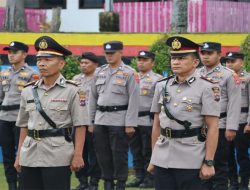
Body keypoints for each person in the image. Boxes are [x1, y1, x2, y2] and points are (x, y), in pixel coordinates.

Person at [14, 36, 88, 190]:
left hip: (57, 155)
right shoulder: (28, 90)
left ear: (61, 63)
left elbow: (80, 125)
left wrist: (78, 155)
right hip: (30, 154)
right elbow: (23, 126)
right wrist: (19, 154)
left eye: (48, 59)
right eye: (40, 59)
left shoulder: (73, 90)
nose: (41, 63)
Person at [147, 36, 220, 190]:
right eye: (173, 57)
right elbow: (156, 124)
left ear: (195, 62)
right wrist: (154, 157)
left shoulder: (207, 87)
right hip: (163, 155)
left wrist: (209, 162)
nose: (175, 62)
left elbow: (213, 126)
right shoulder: (162, 85)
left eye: (181, 58)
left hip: (191, 156)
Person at [88, 41, 139, 190]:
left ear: (121, 53)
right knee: (102, 155)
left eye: (112, 53)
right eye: (106, 53)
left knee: (119, 155)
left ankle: (121, 183)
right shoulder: (99, 72)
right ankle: (108, 183)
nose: (109, 56)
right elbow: (92, 98)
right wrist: (91, 121)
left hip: (119, 119)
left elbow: (134, 99)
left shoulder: (129, 73)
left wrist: (130, 124)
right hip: (100, 119)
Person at [199, 42, 241, 190]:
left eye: (209, 53)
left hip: (220, 125)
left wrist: (231, 127)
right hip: (199, 127)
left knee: (219, 165)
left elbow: (234, 103)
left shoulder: (228, 75)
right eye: (203, 53)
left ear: (219, 54)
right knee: (200, 165)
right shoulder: (196, 73)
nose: (205, 56)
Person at [0, 41, 38, 190]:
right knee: (7, 155)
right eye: (9, 52)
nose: (11, 55)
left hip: (21, 120)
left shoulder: (32, 74)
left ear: (24, 54)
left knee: (23, 154)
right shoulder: (4, 73)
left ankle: (23, 185)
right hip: (4, 118)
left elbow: (34, 100)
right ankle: (11, 186)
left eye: (14, 52)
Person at [126, 50, 162, 188]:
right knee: (135, 151)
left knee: (148, 151)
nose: (141, 62)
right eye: (139, 60)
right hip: (133, 120)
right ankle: (138, 176)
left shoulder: (157, 79)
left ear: (152, 62)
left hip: (149, 120)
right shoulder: (131, 77)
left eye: (145, 60)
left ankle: (150, 178)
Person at [72, 52, 101, 190]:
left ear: (95, 64)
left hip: (93, 124)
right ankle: (82, 181)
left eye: (86, 63)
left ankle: (94, 183)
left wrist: (93, 122)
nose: (83, 65)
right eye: (82, 63)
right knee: (79, 153)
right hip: (78, 124)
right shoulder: (76, 79)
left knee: (95, 154)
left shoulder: (100, 79)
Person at [225, 52, 250, 190]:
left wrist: (249, 122)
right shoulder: (224, 78)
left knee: (242, 154)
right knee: (227, 154)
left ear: (242, 63)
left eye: (232, 61)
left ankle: (244, 183)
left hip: (242, 121)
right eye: (227, 61)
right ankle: (233, 181)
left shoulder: (247, 78)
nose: (229, 64)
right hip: (227, 121)